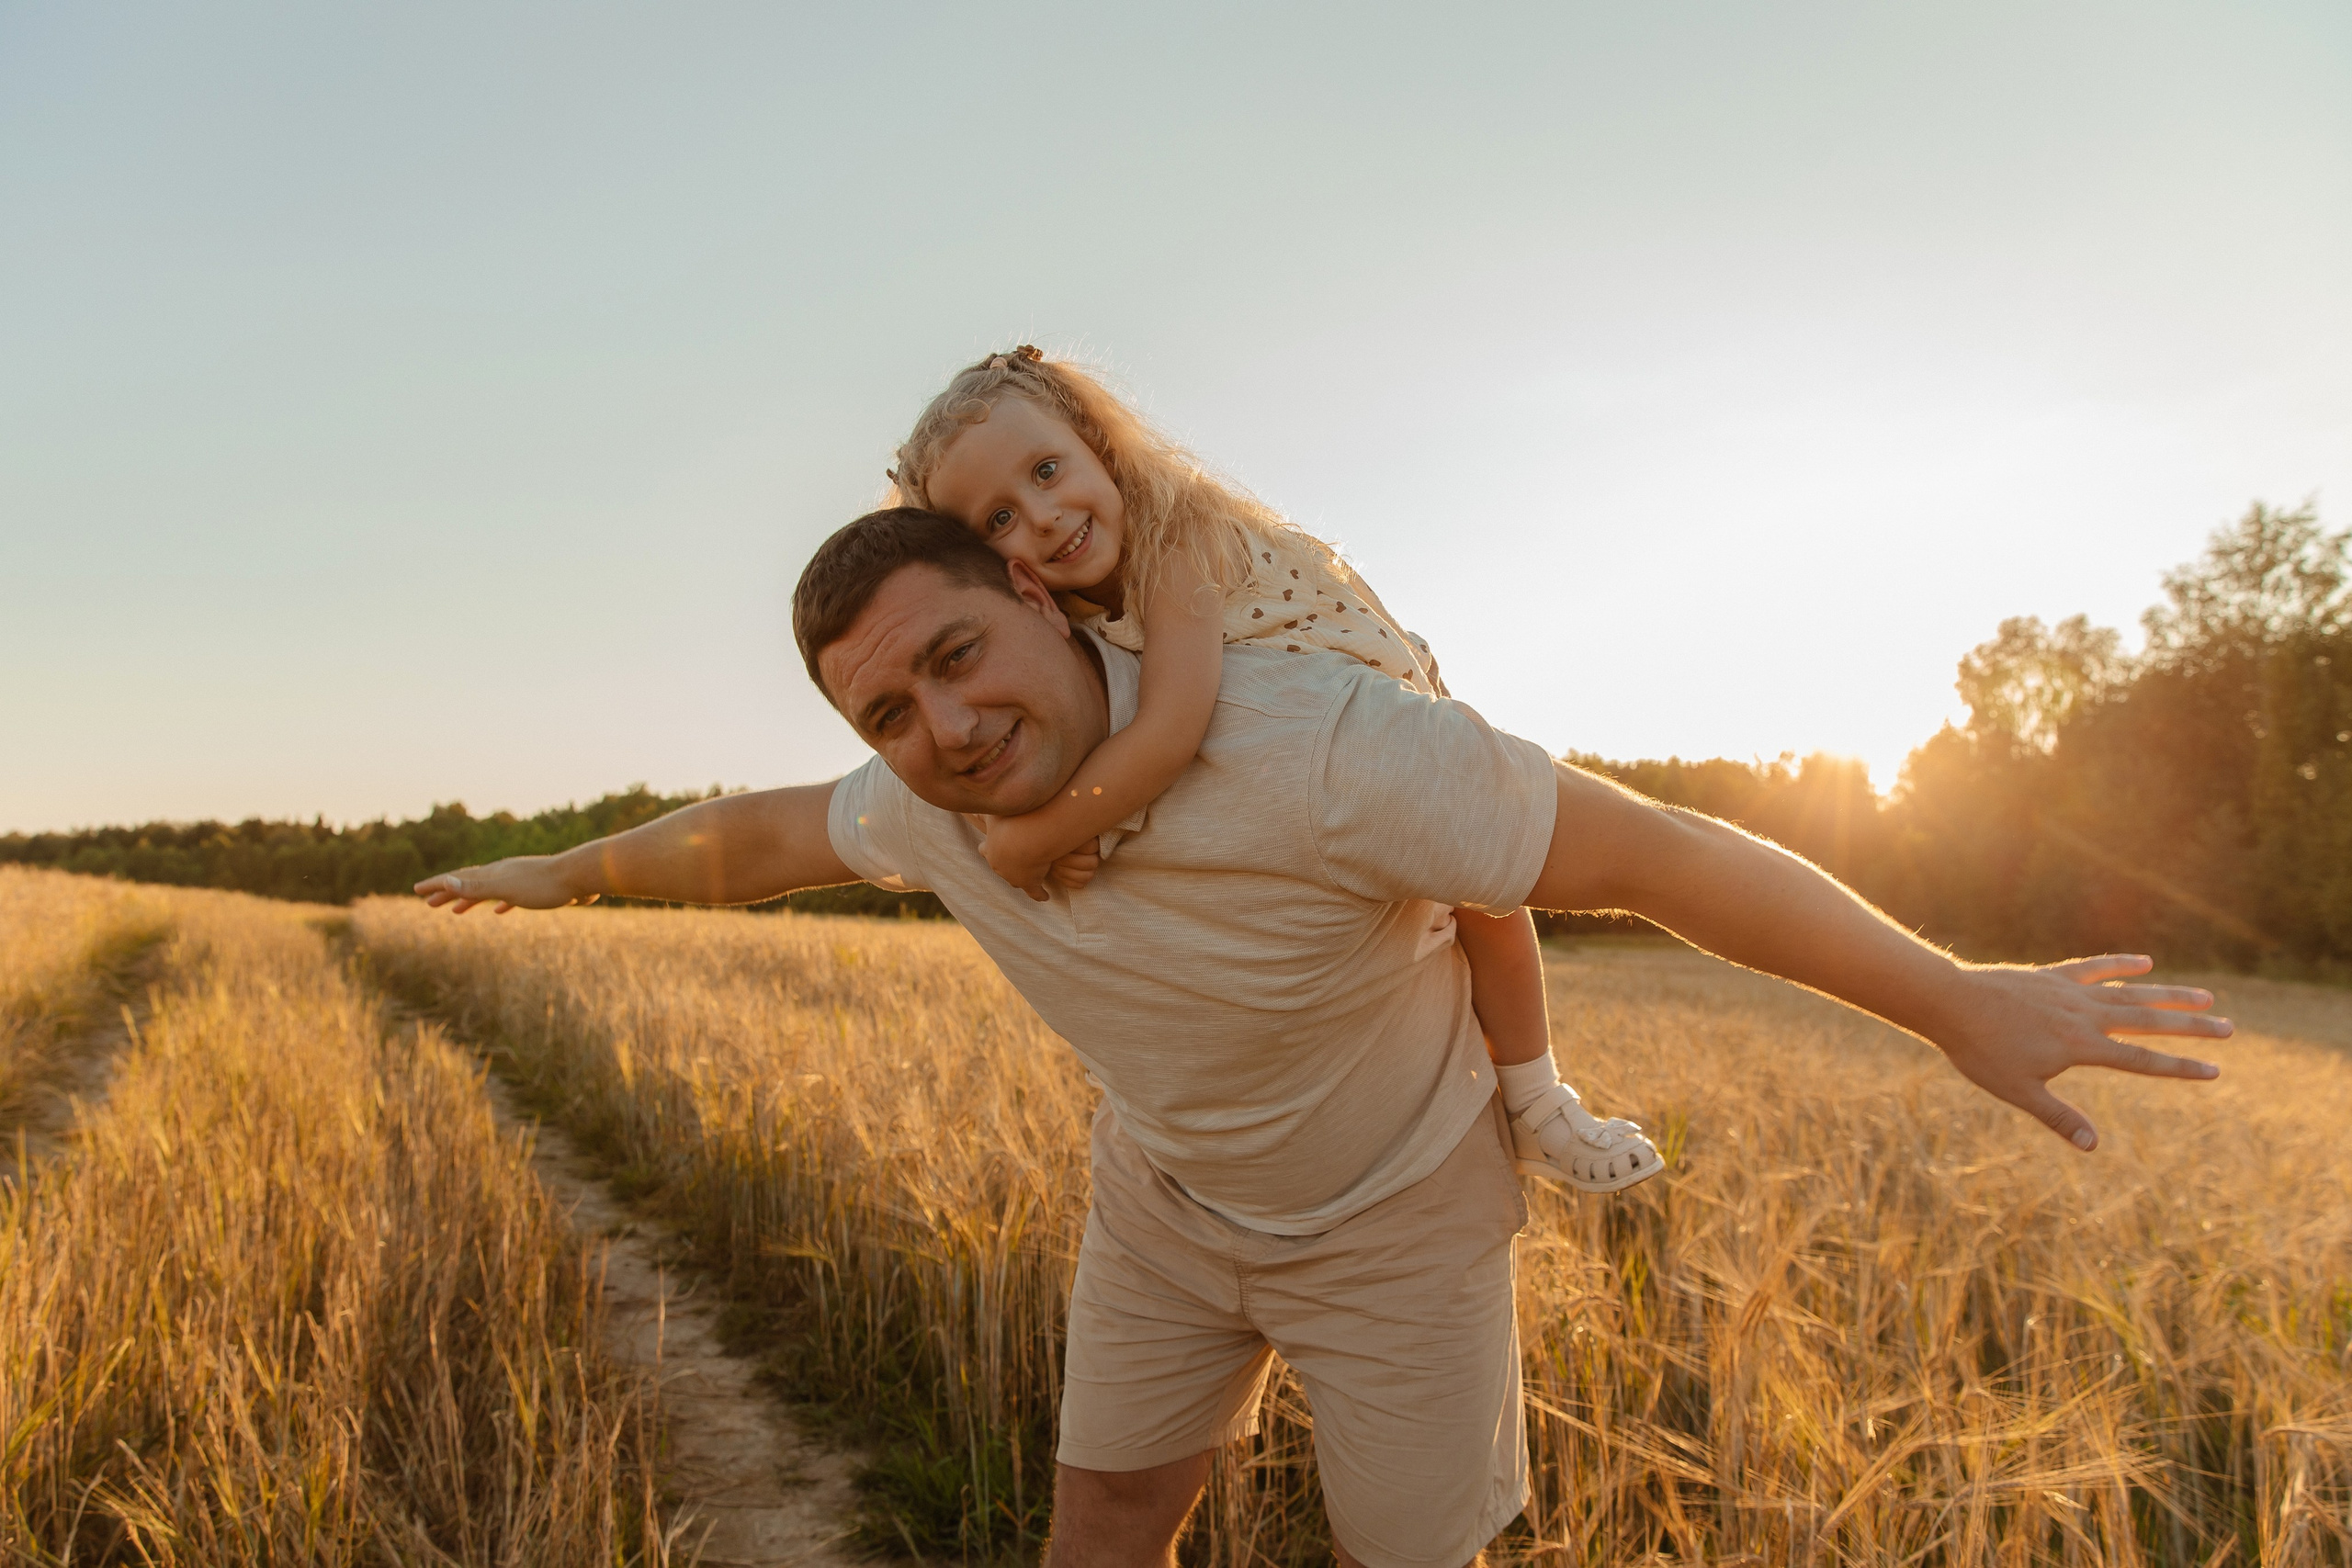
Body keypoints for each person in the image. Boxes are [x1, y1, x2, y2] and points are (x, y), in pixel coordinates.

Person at [417, 508, 2228, 1568]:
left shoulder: (1329, 751)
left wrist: (1954, 998)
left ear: (1046, 600)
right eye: (889, 709)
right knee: (1107, 1513)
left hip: (1400, 1217)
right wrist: (567, 868)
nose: (946, 724)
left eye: (960, 655)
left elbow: (1661, 859)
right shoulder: (928, 814)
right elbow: (756, 839)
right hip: (1166, 1201)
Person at [885, 344, 1654, 1193]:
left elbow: (1172, 726)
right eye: (996, 521)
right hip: (1289, 793)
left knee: (1488, 903)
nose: (1040, 515)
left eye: (1046, 469)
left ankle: (1537, 1101)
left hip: (1374, 713)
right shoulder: (1060, 609)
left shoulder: (1182, 535)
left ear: (1097, 443)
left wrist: (1033, 838)